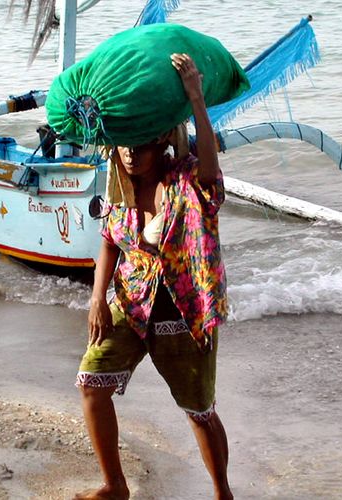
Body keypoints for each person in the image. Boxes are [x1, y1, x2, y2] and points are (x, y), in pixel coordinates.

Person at [74, 53, 233, 500]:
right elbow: (109, 239)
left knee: (199, 411)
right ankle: (114, 485)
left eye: (140, 144)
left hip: (183, 314)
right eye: (124, 144)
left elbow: (210, 169)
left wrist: (196, 98)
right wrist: (97, 299)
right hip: (130, 303)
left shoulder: (184, 181)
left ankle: (223, 493)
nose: (130, 153)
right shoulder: (119, 188)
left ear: (162, 141)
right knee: (91, 383)